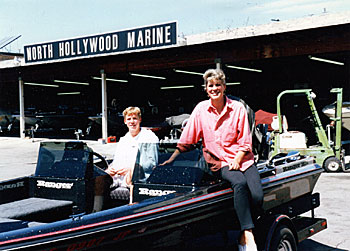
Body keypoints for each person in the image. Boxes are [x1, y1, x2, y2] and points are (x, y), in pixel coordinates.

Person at [161, 69, 263, 251]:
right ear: (206, 89)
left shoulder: (237, 108)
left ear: (224, 87)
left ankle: (241, 234)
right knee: (239, 183)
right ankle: (248, 233)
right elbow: (188, 138)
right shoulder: (201, 109)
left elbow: (245, 140)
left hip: (243, 158)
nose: (214, 88)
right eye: (210, 85)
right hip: (219, 161)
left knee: (257, 195)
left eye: (218, 85)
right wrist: (172, 158)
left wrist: (238, 159)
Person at [93, 106, 159, 211]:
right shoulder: (124, 139)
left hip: (139, 175)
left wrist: (131, 169)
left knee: (133, 174)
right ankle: (96, 212)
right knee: (99, 177)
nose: (132, 122)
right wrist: (110, 169)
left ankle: (132, 212)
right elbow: (116, 161)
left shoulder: (149, 137)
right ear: (125, 121)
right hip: (119, 176)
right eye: (129, 119)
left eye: (134, 118)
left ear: (140, 119)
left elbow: (152, 163)